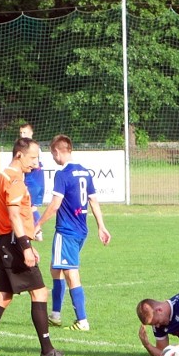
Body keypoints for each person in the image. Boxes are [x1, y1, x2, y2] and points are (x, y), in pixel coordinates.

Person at [0, 137, 68, 356]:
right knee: (40, 292)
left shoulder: (4, 175)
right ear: (19, 155)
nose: (35, 163)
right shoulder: (14, 179)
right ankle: (47, 351)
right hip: (14, 242)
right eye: (32, 158)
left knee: (2, 297)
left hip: (7, 242)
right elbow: (14, 215)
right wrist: (26, 247)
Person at [35, 134, 111, 331]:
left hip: (66, 231)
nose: (53, 158)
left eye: (53, 153)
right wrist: (101, 227)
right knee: (55, 268)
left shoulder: (63, 174)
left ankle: (82, 321)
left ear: (59, 151)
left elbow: (54, 205)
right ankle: (56, 315)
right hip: (80, 230)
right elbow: (93, 201)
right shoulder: (85, 173)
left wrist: (38, 224)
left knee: (71, 273)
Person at [19, 123, 45, 236]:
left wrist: (23, 164)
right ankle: (34, 231)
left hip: (32, 182)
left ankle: (35, 231)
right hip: (39, 181)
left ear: (31, 133)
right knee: (32, 208)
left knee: (24, 207)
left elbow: (35, 164)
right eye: (20, 133)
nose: (22, 135)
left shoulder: (31, 148)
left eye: (24, 132)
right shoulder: (35, 147)